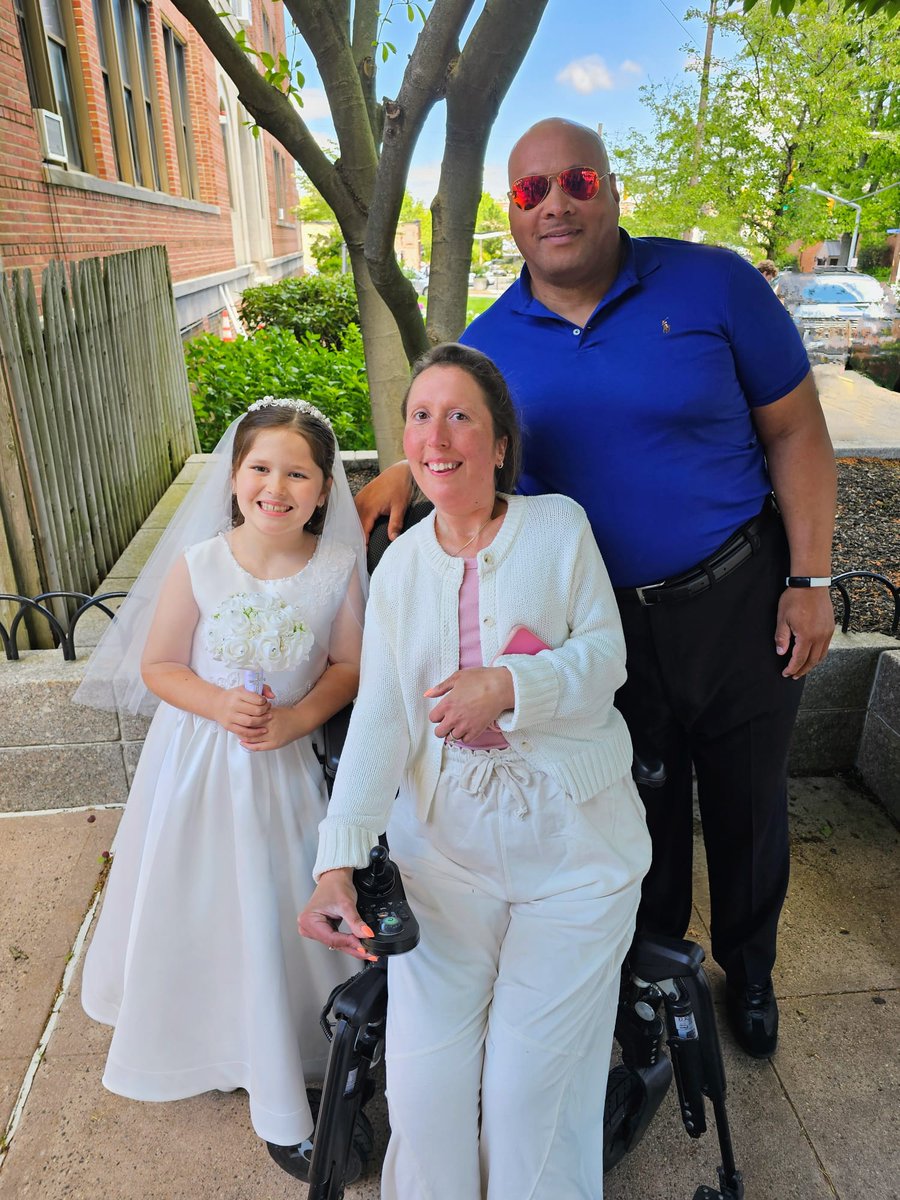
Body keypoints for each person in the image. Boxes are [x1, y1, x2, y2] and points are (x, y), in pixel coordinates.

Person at [353, 118, 837, 1060]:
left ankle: (751, 968)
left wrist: (810, 578)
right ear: (511, 214)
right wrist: (395, 478)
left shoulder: (714, 284)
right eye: (532, 192)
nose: (557, 204)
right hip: (597, 625)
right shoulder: (495, 342)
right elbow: (458, 440)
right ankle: (653, 975)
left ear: (611, 189)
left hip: (737, 597)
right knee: (633, 805)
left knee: (747, 804)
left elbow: (796, 432)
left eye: (575, 180)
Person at [299, 343, 651, 1200]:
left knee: (532, 1090)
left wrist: (511, 686)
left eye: (462, 415)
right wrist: (335, 861)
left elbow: (607, 657)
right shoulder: (402, 569)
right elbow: (382, 715)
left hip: (576, 851)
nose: (437, 434)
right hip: (446, 854)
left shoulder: (557, 527)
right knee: (424, 1090)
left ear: (499, 447)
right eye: (421, 415)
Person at [76, 398, 367, 1170]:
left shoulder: (336, 570)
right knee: (199, 900)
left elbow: (347, 668)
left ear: (324, 489)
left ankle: (285, 1045)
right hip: (198, 766)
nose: (277, 486)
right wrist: (219, 703)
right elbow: (160, 665)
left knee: (275, 902)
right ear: (234, 478)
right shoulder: (200, 564)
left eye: (298, 473)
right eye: (260, 469)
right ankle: (202, 1033)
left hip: (282, 769)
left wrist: (298, 717)